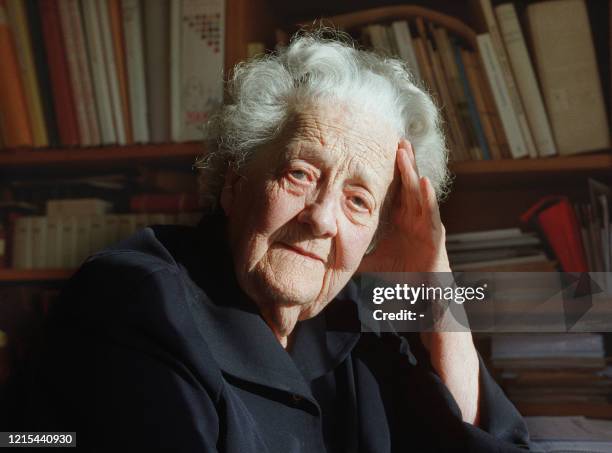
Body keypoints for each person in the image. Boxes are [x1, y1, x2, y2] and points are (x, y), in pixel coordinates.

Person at [7, 29, 532, 451]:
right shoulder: (136, 299)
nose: (322, 219)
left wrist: (434, 284)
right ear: (235, 181)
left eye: (358, 201)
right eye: (300, 174)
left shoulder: (357, 322)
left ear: (377, 233)